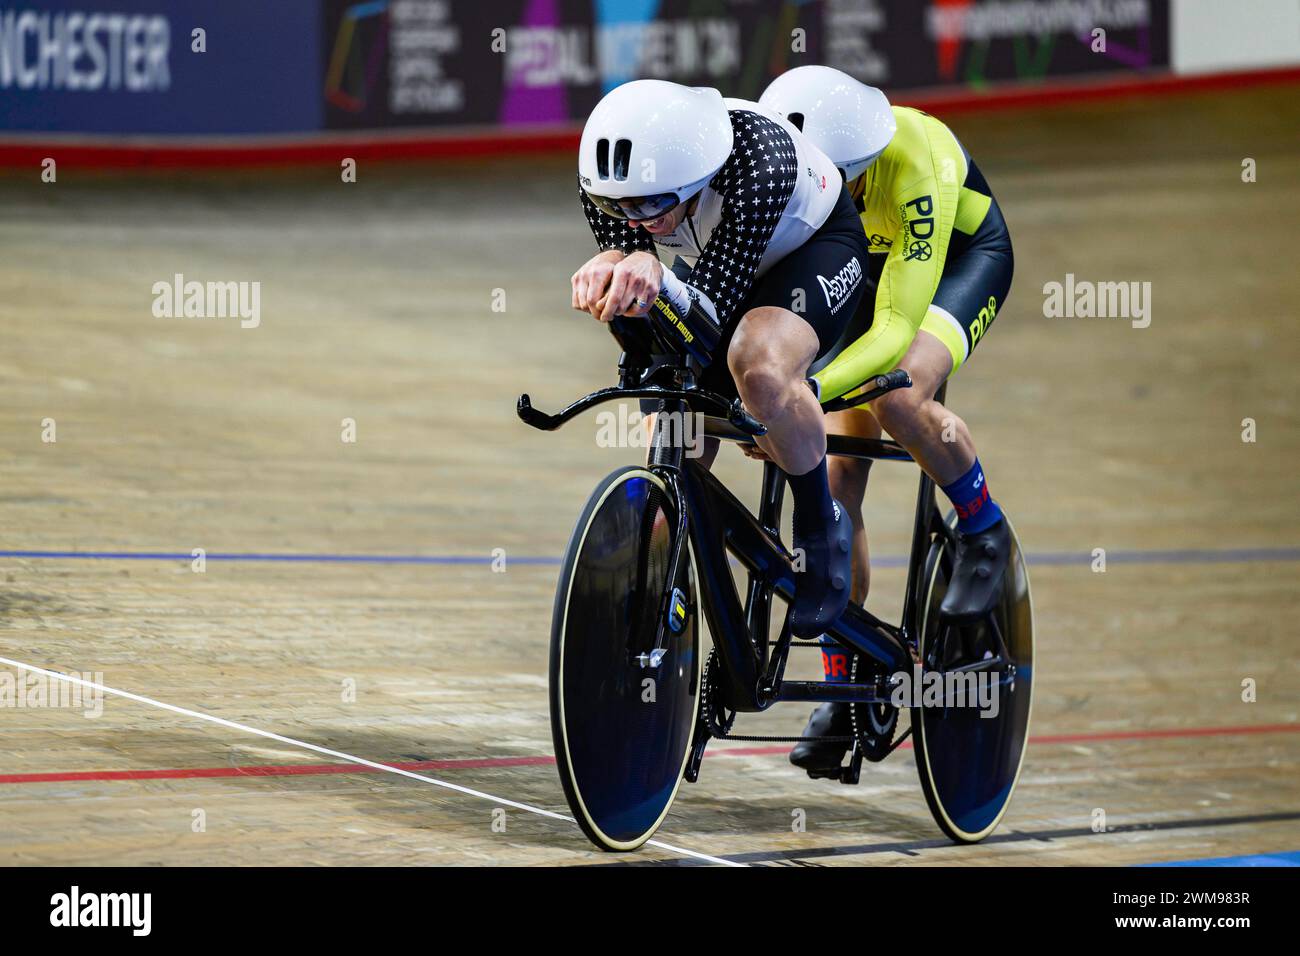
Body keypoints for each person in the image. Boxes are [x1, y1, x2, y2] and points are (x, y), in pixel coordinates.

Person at [758, 65, 1015, 777]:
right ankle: (849, 682)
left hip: (958, 265)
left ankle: (982, 524)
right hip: (867, 269)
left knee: (897, 396)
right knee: (834, 475)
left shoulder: (916, 160)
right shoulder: (796, 170)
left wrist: (802, 390)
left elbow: (897, 328)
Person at [571, 79, 872, 637]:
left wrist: (656, 276)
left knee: (757, 363)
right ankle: (663, 548)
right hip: (721, 259)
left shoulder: (757, 162)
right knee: (674, 406)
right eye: (620, 207)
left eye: (654, 203)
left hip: (811, 252)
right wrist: (615, 264)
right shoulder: (615, 181)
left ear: (695, 176)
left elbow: (708, 323)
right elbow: (671, 337)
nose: (638, 219)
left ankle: (819, 522)